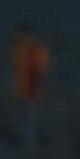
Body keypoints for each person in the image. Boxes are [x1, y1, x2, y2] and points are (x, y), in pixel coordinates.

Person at [10, 23, 52, 151]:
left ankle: (28, 143)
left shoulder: (34, 48)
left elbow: (40, 70)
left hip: (30, 87)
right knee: (25, 116)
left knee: (29, 116)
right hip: (23, 87)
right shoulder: (20, 47)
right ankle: (25, 141)